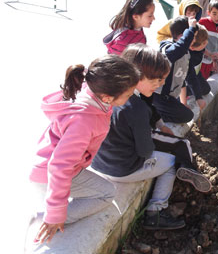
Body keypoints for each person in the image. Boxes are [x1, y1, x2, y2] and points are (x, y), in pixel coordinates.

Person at [91, 44, 211, 231]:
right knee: (171, 162)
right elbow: (146, 151)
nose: (161, 84)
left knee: (168, 144)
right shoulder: (135, 108)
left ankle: (185, 172)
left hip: (99, 162)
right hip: (121, 169)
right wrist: (154, 143)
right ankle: (156, 212)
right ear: (136, 76)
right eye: (156, 80)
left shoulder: (111, 95)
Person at [28, 55, 140, 244]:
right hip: (48, 174)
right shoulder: (84, 121)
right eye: (128, 94)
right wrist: (55, 213)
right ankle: (46, 219)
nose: (131, 97)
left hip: (46, 162)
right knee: (107, 193)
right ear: (107, 97)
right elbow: (59, 167)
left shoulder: (93, 92)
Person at [153, 16, 209, 123]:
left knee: (187, 114)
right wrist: (191, 28)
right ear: (182, 36)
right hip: (157, 96)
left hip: (169, 98)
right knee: (186, 116)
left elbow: (189, 77)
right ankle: (153, 116)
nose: (193, 40)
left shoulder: (186, 54)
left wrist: (197, 98)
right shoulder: (167, 47)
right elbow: (177, 50)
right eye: (192, 36)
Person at [199, 0, 218, 79]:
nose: (217, 17)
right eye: (214, 13)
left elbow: (217, 47)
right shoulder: (202, 22)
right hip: (199, 60)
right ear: (208, 13)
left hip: (209, 62)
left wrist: (216, 62)